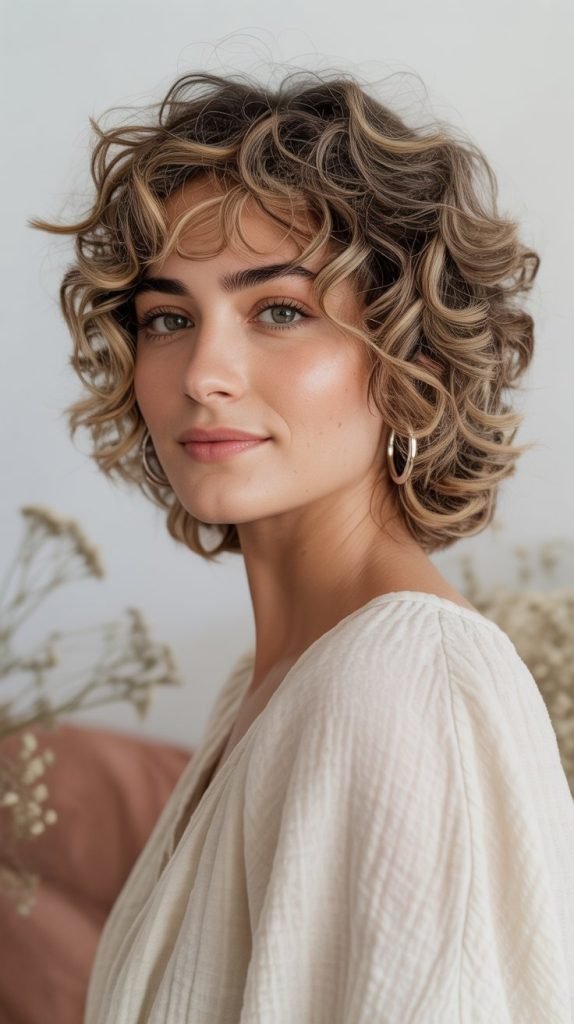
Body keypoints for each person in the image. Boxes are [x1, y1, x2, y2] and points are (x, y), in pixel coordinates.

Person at [30, 68, 574, 1022]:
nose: (204, 372)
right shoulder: (265, 686)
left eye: (278, 310)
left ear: (411, 360)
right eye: (169, 317)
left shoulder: (404, 682)